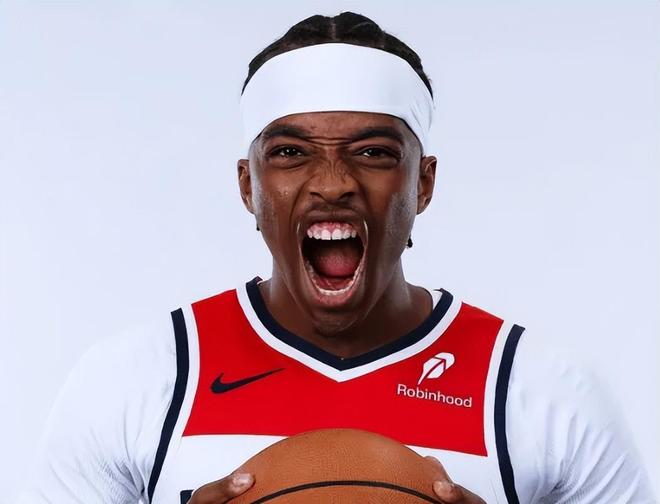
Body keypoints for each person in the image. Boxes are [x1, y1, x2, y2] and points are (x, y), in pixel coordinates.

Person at [17, 11, 654, 504]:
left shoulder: (541, 392)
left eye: (373, 152)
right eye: (291, 153)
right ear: (248, 185)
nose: (332, 183)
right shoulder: (136, 380)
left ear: (423, 183)